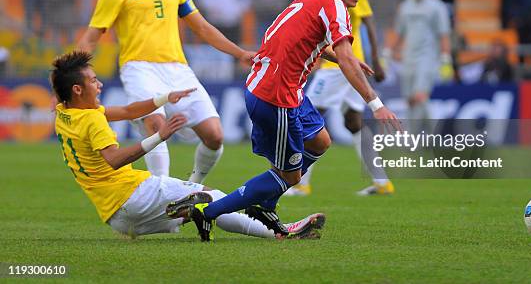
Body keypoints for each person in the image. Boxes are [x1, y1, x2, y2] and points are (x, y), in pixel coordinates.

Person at [187, 0, 400, 241]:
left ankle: (267, 203)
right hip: (277, 96)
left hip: (280, 88)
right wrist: (376, 104)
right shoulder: (334, 5)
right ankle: (207, 212)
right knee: (290, 176)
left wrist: (341, 58)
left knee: (320, 140)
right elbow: (345, 55)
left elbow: (309, 41)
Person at [50, 51, 325, 240]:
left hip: (116, 218)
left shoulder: (64, 115)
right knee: (215, 198)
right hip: (134, 196)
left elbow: (129, 110)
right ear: (77, 89)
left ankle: (188, 210)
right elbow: (114, 160)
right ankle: (280, 231)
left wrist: (164, 98)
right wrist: (159, 136)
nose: (98, 85)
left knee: (197, 207)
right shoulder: (92, 121)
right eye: (93, 80)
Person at [77, 0, 255, 182]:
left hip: (177, 69)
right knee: (157, 128)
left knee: (215, 136)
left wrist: (238, 53)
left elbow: (202, 27)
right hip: (139, 68)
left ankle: (189, 190)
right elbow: (92, 37)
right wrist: (74, 76)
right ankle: (162, 198)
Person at [286, 0, 394, 196]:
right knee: (353, 122)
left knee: (305, 118)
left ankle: (300, 184)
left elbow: (369, 23)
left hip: (339, 67)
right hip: (352, 65)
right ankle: (381, 182)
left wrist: (377, 60)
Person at [393, 0, 452, 132]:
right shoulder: (405, 7)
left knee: (420, 95)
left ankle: (434, 135)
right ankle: (419, 137)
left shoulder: (437, 6)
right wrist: (389, 52)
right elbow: (400, 33)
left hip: (428, 58)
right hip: (409, 57)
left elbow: (444, 34)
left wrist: (446, 59)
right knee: (410, 100)